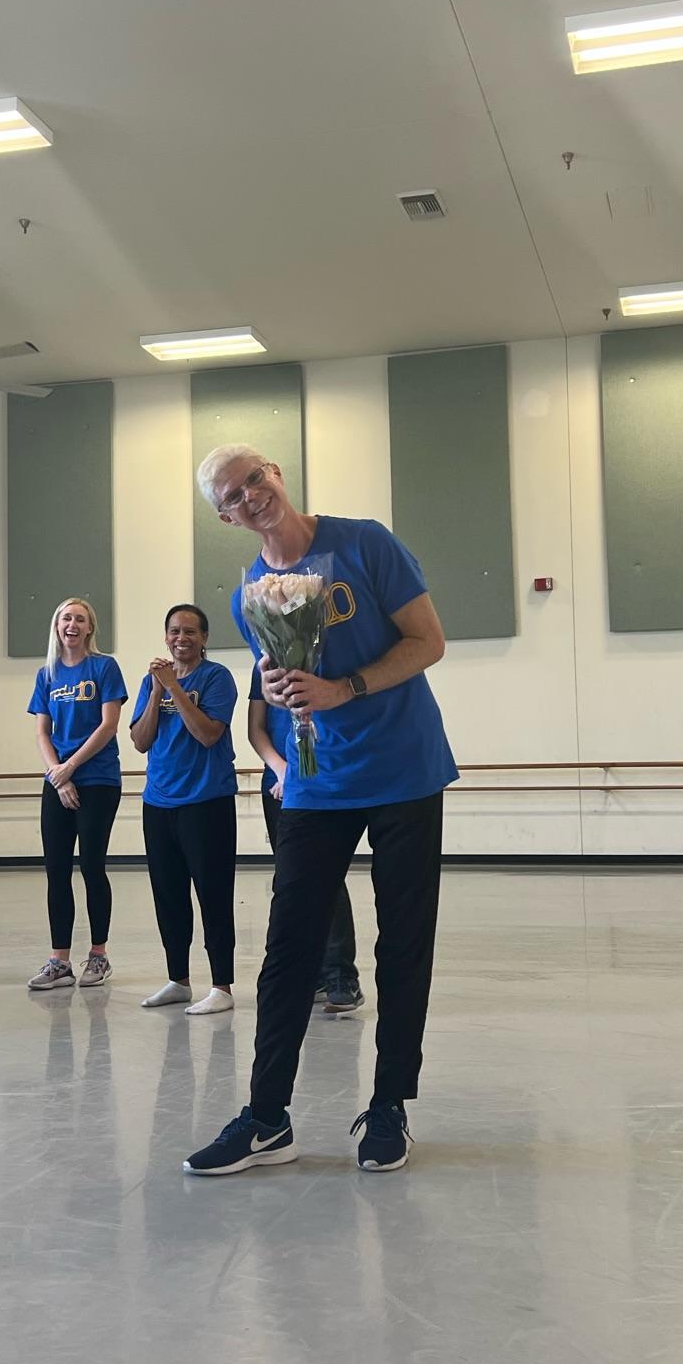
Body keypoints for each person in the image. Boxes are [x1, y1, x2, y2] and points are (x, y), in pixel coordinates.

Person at [183, 445, 458, 1176]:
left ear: (274, 471)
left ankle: (390, 1105)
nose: (251, 496)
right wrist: (278, 695)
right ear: (225, 516)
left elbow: (428, 640)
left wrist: (348, 688)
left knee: (403, 942)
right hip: (316, 778)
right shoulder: (252, 586)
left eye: (254, 479)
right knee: (289, 948)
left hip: (403, 767)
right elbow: (271, 683)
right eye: (233, 496)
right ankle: (268, 1116)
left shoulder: (364, 540)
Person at [131, 604, 240, 1017]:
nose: (182, 638)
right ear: (166, 637)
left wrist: (174, 687)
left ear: (204, 638)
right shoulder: (150, 683)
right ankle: (178, 979)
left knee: (213, 895)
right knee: (169, 895)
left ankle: (221, 985)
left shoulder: (217, 678)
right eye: (175, 631)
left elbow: (209, 734)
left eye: (191, 631)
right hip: (159, 802)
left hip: (206, 801)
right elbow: (141, 741)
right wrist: (158, 690)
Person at [248, 664, 363, 1015]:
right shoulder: (264, 663)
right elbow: (256, 730)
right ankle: (307, 974)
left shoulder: (325, 657)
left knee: (327, 876)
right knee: (291, 878)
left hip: (323, 780)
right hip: (279, 784)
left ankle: (341, 974)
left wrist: (303, 774)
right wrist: (286, 771)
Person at [26, 597, 127, 991]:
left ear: (89, 628)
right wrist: (58, 774)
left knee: (91, 865)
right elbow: (41, 731)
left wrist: (72, 767)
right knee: (56, 870)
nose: (72, 624)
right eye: (66, 617)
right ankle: (59, 961)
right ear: (57, 626)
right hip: (58, 780)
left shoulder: (104, 667)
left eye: (79, 619)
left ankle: (98, 956)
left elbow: (108, 726)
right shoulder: (46, 674)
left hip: (98, 778)